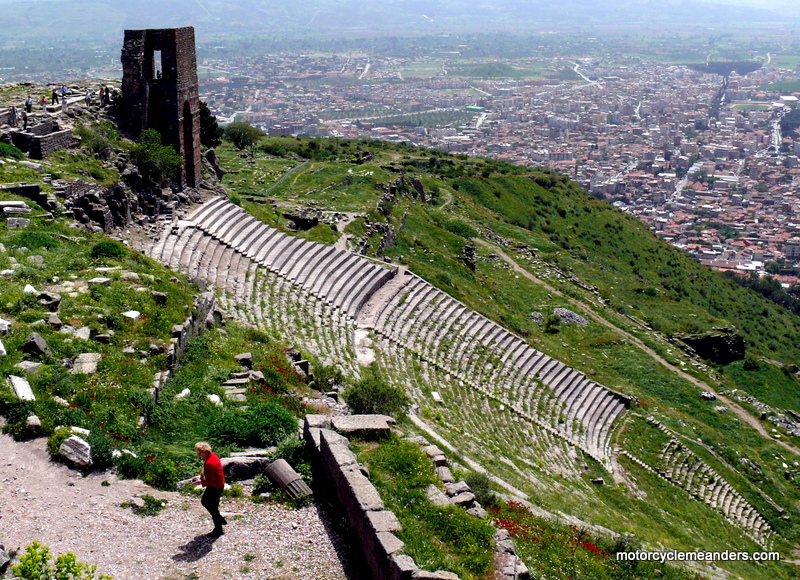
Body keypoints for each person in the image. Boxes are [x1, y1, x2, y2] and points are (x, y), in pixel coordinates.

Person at [193, 442, 227, 536]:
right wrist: (201, 476)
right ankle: (219, 523)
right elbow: (208, 473)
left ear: (204, 452)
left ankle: (218, 527)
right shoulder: (212, 456)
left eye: (199, 453)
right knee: (211, 505)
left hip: (215, 486)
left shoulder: (209, 462)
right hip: (218, 484)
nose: (199, 455)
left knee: (207, 503)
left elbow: (211, 480)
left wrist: (200, 482)